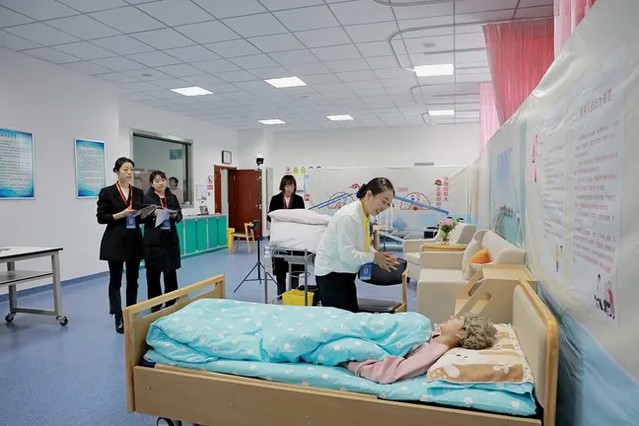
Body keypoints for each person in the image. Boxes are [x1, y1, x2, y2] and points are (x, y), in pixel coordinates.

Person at [314, 177, 399, 312]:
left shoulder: (365, 215)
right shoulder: (348, 217)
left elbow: (363, 244)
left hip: (346, 272)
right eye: (383, 201)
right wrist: (374, 258)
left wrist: (378, 256)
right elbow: (347, 255)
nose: (384, 208)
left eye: (388, 204)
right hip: (331, 273)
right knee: (339, 318)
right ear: (369, 195)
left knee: (352, 314)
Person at [347, 313, 497, 384]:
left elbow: (389, 373)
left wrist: (350, 364)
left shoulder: (433, 352)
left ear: (462, 333)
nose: (452, 316)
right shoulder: (434, 334)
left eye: (458, 319)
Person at [96, 157, 145, 334]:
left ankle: (131, 312)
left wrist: (146, 214)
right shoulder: (107, 192)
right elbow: (101, 218)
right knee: (115, 280)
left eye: (131, 169)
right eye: (125, 169)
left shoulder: (138, 192)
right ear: (116, 171)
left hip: (134, 241)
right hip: (115, 241)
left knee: (133, 280)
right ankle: (118, 315)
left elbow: (141, 217)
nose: (129, 172)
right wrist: (121, 214)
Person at [143, 171, 183, 312]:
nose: (161, 183)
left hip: (170, 240)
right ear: (152, 183)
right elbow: (142, 217)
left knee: (170, 272)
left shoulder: (172, 197)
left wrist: (175, 216)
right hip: (154, 241)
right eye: (157, 181)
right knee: (153, 274)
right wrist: (154, 214)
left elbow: (180, 216)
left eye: (163, 180)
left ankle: (172, 301)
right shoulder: (147, 198)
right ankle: (155, 304)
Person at [267, 175, 306, 296]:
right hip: (280, 238)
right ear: (283, 186)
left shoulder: (299, 199)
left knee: (295, 269)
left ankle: (294, 293)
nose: (290, 188)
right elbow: (269, 216)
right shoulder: (275, 199)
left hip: (295, 239)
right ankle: (281, 295)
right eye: (288, 186)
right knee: (280, 269)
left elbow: (302, 216)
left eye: (292, 186)